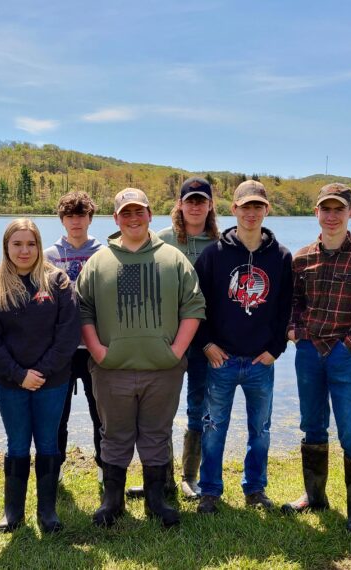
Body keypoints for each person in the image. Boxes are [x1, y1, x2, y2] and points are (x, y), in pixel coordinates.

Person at [76, 188, 205, 528]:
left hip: (163, 370)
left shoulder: (173, 259)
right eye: (126, 213)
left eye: (140, 211)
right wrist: (99, 352)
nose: (133, 218)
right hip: (111, 371)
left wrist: (175, 351)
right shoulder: (98, 261)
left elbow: (194, 307)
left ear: (150, 215)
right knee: (114, 435)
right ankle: (112, 501)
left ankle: (156, 501)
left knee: (156, 435)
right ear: (116, 219)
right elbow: (83, 311)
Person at [282, 183, 351, 534]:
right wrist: (295, 332)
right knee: (312, 425)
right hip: (309, 352)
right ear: (316, 212)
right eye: (325, 209)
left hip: (345, 355)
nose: (331, 216)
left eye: (338, 210)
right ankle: (315, 496)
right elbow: (292, 305)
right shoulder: (300, 259)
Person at [193, 180, 292, 515]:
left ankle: (255, 489)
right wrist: (206, 343)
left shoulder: (281, 257)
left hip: (260, 361)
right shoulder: (213, 255)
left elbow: (285, 308)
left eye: (257, 207)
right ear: (233, 210)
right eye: (245, 206)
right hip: (221, 359)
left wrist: (276, 348)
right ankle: (210, 491)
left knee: (260, 430)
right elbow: (195, 305)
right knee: (213, 427)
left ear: (267, 210)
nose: (251, 213)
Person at [0, 219, 80, 534]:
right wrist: (19, 375)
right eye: (17, 244)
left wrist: (42, 372)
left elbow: (67, 336)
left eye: (31, 244)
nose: (24, 250)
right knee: (17, 444)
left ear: (39, 246)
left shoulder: (58, 282)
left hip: (53, 380)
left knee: (48, 442)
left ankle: (47, 513)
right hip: (10, 383)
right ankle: (13, 513)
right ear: (6, 247)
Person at [156, 177, 220, 500]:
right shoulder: (162, 241)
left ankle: (189, 476)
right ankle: (159, 475)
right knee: (159, 410)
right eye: (189, 200)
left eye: (201, 201)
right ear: (179, 205)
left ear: (210, 206)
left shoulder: (221, 243)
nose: (195, 206)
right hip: (167, 338)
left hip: (204, 341)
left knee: (199, 408)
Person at [43, 192, 105, 483]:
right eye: (70, 216)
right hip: (61, 348)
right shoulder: (49, 256)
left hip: (95, 346)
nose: (76, 221)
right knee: (57, 414)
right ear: (62, 220)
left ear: (90, 219)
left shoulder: (103, 253)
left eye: (81, 215)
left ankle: (107, 470)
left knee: (101, 413)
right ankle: (54, 471)